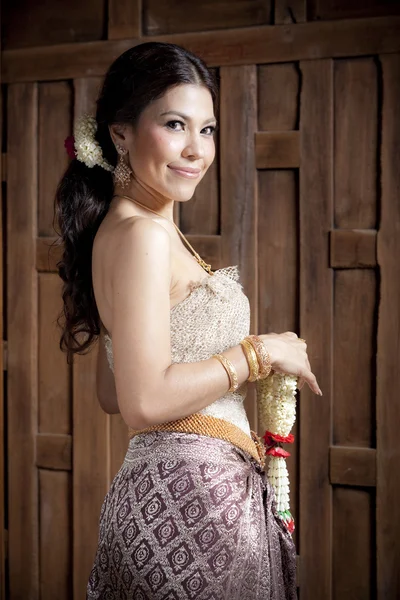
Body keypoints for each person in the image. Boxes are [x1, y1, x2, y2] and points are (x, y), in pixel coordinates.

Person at [54, 41, 322, 600]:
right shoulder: (144, 235)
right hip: (191, 503)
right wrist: (260, 352)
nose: (196, 150)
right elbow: (144, 401)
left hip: (172, 492)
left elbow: (112, 389)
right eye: (176, 124)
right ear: (119, 133)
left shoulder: (132, 229)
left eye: (207, 129)